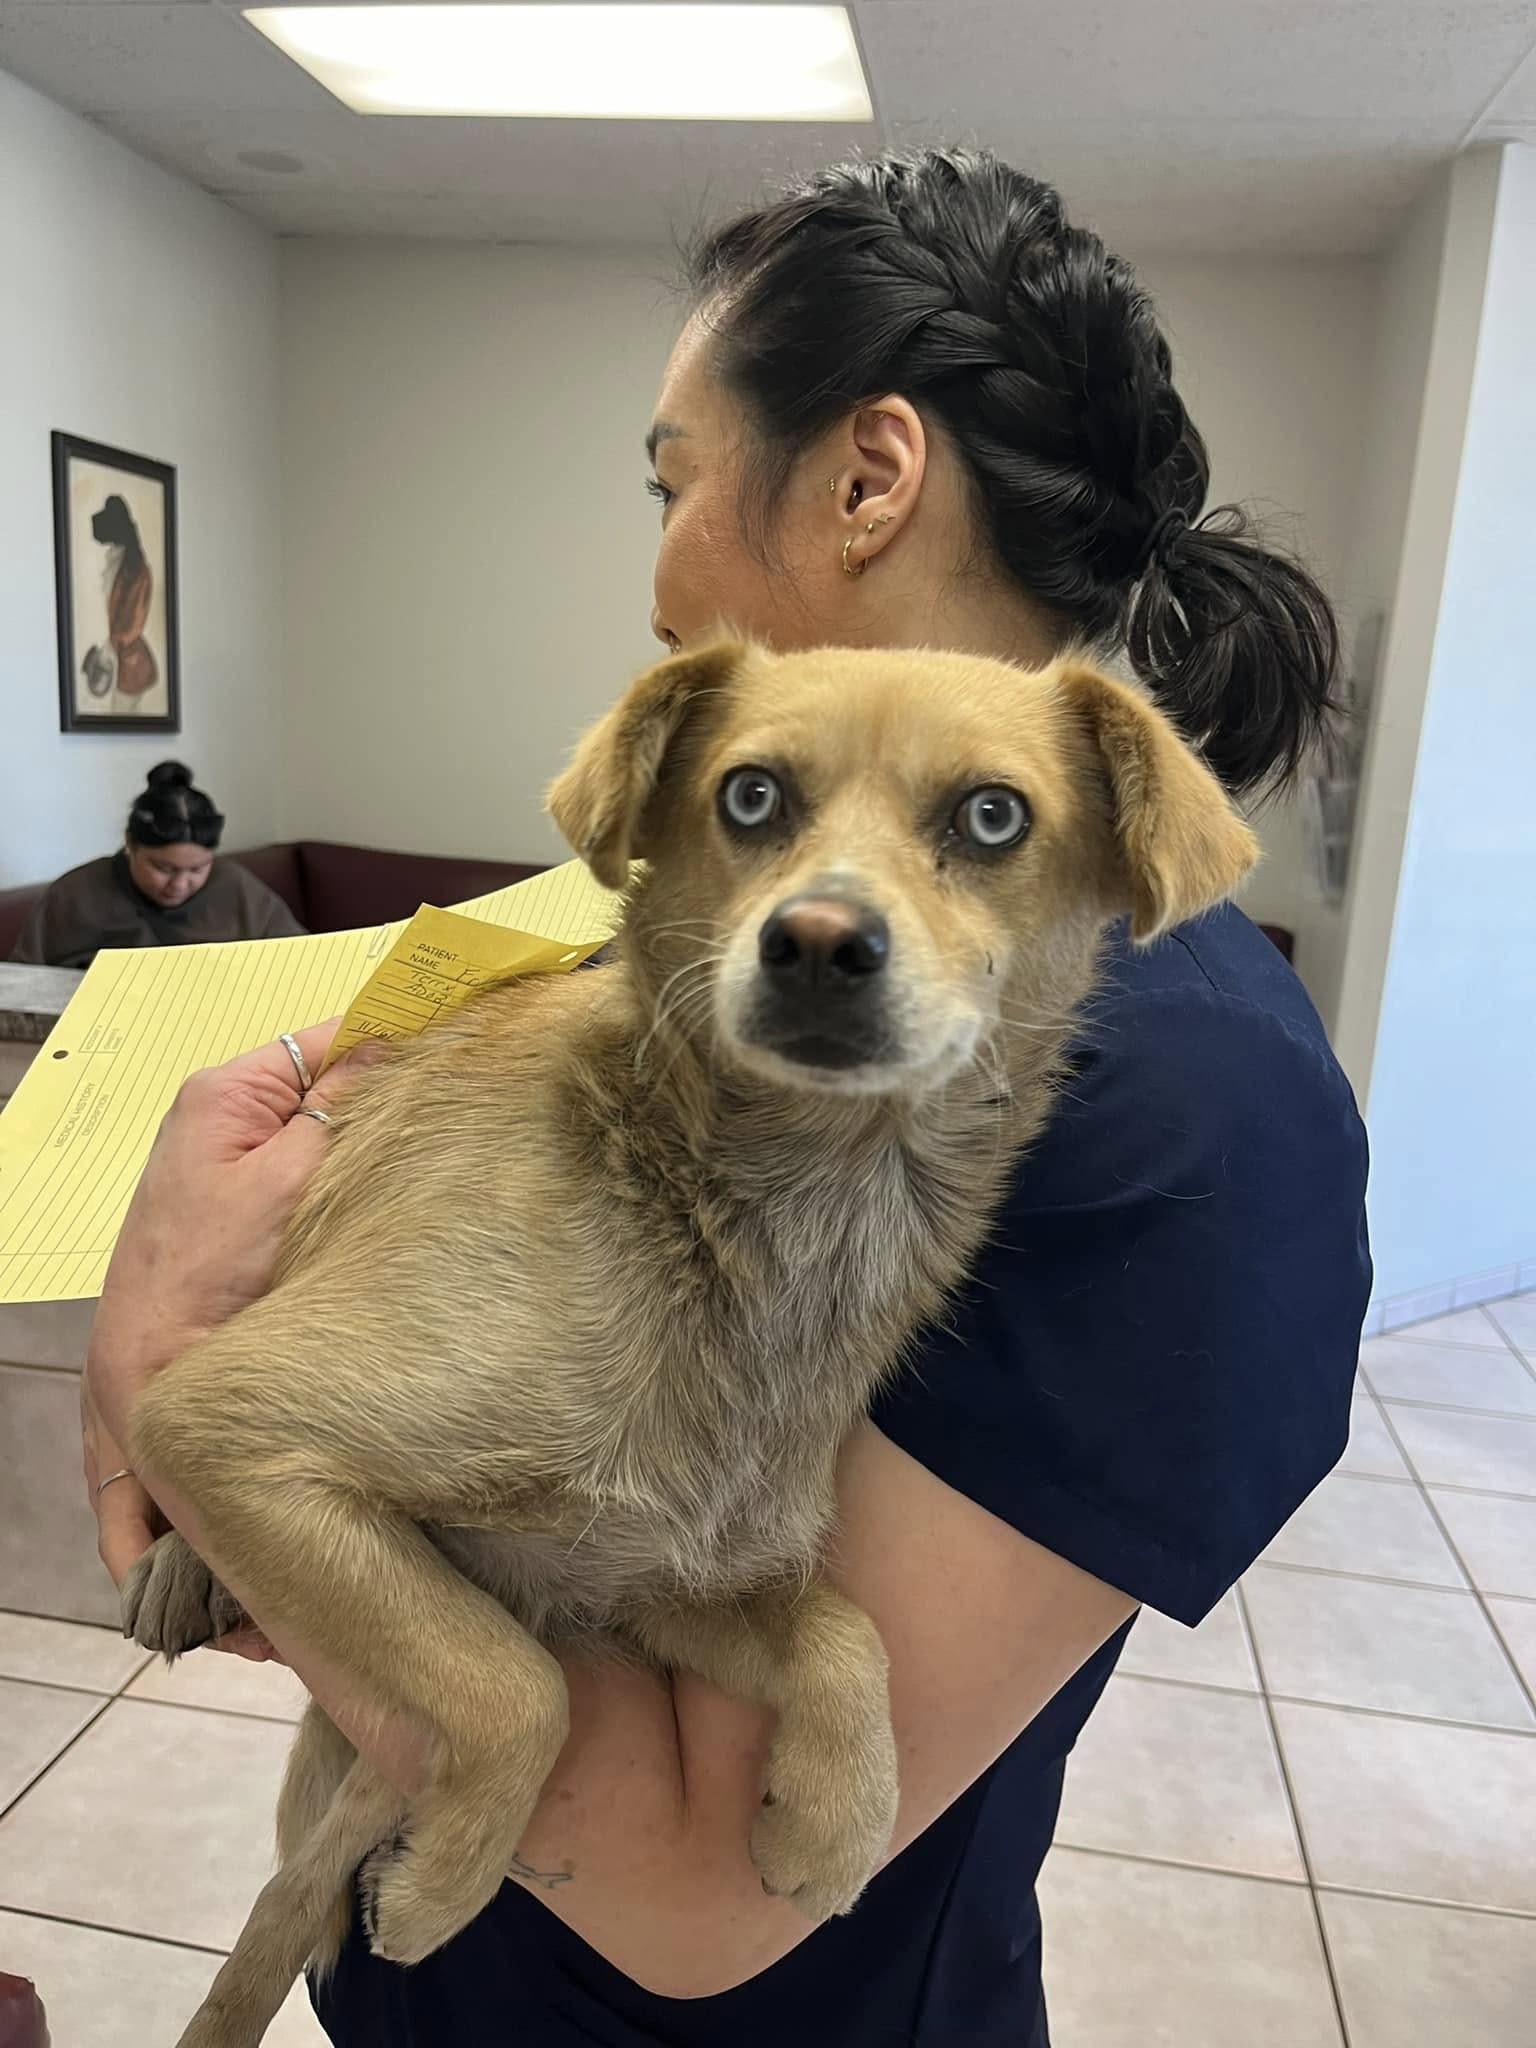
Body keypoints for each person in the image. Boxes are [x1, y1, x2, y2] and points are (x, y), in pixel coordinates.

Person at [82, 150, 1370, 2047]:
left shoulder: (1191, 1120)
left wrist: (162, 1369)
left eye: (670, 479)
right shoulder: (721, 929)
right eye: (760, 806)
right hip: (464, 1966)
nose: (659, 568)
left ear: (867, 477)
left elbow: (702, 1880)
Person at [11, 762, 304, 969]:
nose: (180, 885)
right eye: (164, 869)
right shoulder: (74, 895)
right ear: (131, 844)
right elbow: (21, 983)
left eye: (197, 869)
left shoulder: (235, 886)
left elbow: (301, 961)